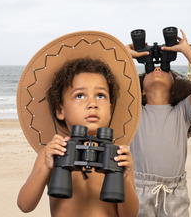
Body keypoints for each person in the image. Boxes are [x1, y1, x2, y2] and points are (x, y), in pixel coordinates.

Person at [16, 31, 142, 217]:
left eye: (101, 95)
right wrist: (46, 166)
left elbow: (129, 215)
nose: (92, 103)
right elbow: (25, 205)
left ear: (110, 106)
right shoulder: (53, 152)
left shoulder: (117, 154)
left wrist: (125, 179)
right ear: (60, 110)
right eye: (80, 95)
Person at [127, 29, 191, 217]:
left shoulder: (183, 111)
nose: (157, 69)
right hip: (138, 187)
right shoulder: (133, 111)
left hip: (175, 192)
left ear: (174, 87)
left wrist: (185, 49)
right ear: (140, 90)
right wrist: (124, 53)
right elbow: (110, 81)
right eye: (151, 69)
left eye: (164, 69)